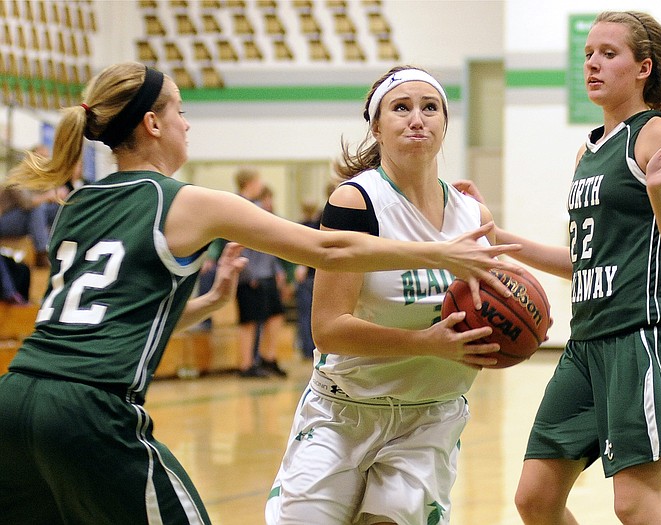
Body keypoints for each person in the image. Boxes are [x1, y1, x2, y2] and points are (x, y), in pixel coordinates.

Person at [0, 62, 521, 525]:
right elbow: (327, 250)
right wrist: (440, 253)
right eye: (180, 110)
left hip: (16, 397)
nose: (187, 123)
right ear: (153, 124)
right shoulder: (189, 201)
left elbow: (101, 321)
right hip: (91, 408)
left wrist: (205, 304)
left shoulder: (78, 204)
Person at [456, 11, 661, 524]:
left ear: (643, 68)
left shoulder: (658, 135)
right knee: (536, 498)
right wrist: (498, 238)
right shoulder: (588, 151)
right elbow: (580, 261)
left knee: (637, 502)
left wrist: (657, 193)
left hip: (644, 334)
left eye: (609, 54)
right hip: (587, 342)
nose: (592, 63)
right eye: (587, 54)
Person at [266, 66, 504, 525]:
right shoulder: (357, 201)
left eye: (430, 107)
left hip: (429, 416)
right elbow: (328, 330)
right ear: (376, 126)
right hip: (345, 410)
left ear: (445, 123)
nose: (417, 119)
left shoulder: (473, 214)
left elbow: (495, 312)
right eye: (401, 108)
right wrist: (425, 343)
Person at [233, 174, 289, 378]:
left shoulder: (259, 208)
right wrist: (247, 273)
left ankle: (267, 358)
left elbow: (270, 245)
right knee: (249, 321)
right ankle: (246, 365)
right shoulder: (238, 207)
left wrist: (279, 271)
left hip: (267, 273)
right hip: (250, 276)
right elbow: (237, 244)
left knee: (275, 315)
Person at [293, 197, 322, 359]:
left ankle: (307, 349)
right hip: (313, 274)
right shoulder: (317, 226)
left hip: (309, 275)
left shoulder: (302, 226)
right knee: (310, 314)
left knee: (306, 315)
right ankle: (310, 347)